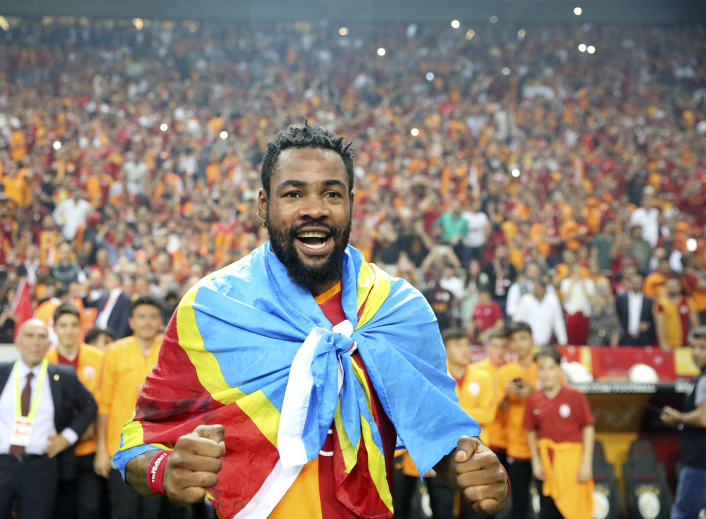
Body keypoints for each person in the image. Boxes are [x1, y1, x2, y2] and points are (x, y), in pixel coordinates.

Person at [111, 124, 508, 517]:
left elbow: (439, 439)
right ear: (263, 204)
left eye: (331, 193)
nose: (315, 209)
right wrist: (165, 471)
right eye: (294, 193)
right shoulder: (211, 309)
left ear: (351, 203)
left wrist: (469, 468)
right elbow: (139, 442)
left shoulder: (399, 311)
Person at [0, 319, 97, 519]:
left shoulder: (63, 377)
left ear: (49, 344)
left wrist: (67, 438)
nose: (35, 342)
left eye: (41, 337)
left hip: (40, 467)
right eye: (29, 336)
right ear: (17, 341)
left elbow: (89, 406)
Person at [395, 327, 498, 519]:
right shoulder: (432, 377)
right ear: (444, 349)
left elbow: (488, 415)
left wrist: (448, 413)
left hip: (476, 454)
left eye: (467, 345)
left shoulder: (484, 377)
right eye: (458, 345)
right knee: (439, 508)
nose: (465, 350)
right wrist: (460, 414)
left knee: (478, 511)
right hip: (440, 453)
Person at [94, 296, 169, 519]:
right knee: (123, 511)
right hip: (120, 448)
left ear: (161, 322)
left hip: (159, 447)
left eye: (152, 317)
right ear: (131, 322)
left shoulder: (169, 351)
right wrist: (101, 450)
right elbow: (104, 404)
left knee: (152, 512)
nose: (147, 322)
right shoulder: (114, 352)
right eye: (141, 317)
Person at [45, 303, 106, 519]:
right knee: (60, 509)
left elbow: (103, 401)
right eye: (63, 325)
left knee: (90, 508)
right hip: (55, 449)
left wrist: (92, 428)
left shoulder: (99, 358)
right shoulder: (44, 360)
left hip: (89, 447)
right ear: (54, 328)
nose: (68, 331)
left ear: (81, 327)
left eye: (73, 325)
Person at [524, 347, 595, 519]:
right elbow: (531, 431)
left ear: (559, 370)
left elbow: (588, 428)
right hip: (547, 467)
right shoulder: (534, 399)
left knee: (575, 511)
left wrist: (586, 463)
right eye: (542, 368)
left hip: (572, 465)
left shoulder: (575, 395)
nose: (546, 373)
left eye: (551, 368)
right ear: (537, 371)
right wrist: (536, 462)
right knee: (548, 511)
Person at [660, 327, 706, 519]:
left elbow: (705, 418)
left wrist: (678, 418)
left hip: (700, 462)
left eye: (703, 348)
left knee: (683, 513)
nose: (696, 352)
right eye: (693, 347)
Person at [498, 321, 542, 519]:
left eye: (523, 338)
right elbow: (499, 411)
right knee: (519, 503)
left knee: (549, 500)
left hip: (544, 444)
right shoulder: (505, 372)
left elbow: (558, 400)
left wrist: (534, 393)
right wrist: (506, 398)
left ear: (532, 341)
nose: (519, 344)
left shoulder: (545, 368)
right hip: (516, 446)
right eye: (514, 340)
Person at [471, 331, 509, 464]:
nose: (499, 351)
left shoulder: (512, 371)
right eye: (495, 346)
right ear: (488, 347)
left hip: (509, 441)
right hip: (484, 438)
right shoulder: (475, 371)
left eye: (503, 347)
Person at [513, 278, 568, 346]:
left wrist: (562, 340)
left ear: (544, 289)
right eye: (535, 288)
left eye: (538, 288)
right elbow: (518, 320)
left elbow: (558, 321)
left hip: (545, 341)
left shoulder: (552, 300)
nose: (536, 290)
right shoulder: (526, 300)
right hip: (528, 341)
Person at [654, 277, 700, 352]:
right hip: (669, 344)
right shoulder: (661, 304)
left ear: (680, 287)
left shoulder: (688, 301)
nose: (672, 288)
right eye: (670, 286)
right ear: (666, 288)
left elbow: (695, 323)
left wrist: (696, 341)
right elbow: (660, 325)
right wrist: (663, 343)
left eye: (675, 286)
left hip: (686, 342)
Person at [616, 273, 656, 346]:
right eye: (634, 282)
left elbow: (653, 320)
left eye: (638, 282)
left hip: (643, 339)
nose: (636, 284)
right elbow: (616, 316)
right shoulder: (621, 300)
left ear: (642, 284)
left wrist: (648, 325)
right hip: (625, 338)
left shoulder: (649, 301)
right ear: (630, 283)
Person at [91, 271, 133, 340]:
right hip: (98, 334)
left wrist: (118, 340)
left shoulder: (125, 300)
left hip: (113, 337)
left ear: (118, 282)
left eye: (109, 280)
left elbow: (124, 324)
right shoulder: (104, 297)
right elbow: (90, 304)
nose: (106, 282)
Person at [560, 267, 595, 346]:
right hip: (571, 313)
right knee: (571, 337)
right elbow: (565, 297)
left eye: (579, 272)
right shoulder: (566, 282)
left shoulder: (588, 282)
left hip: (584, 313)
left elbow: (591, 299)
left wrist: (583, 286)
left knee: (583, 337)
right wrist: (572, 284)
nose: (577, 274)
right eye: (575, 272)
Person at [587, 279, 623, 347]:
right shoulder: (592, 305)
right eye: (602, 288)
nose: (604, 290)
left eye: (606, 287)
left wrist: (616, 334)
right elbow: (590, 323)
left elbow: (615, 321)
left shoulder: (612, 303)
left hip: (610, 338)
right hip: (596, 338)